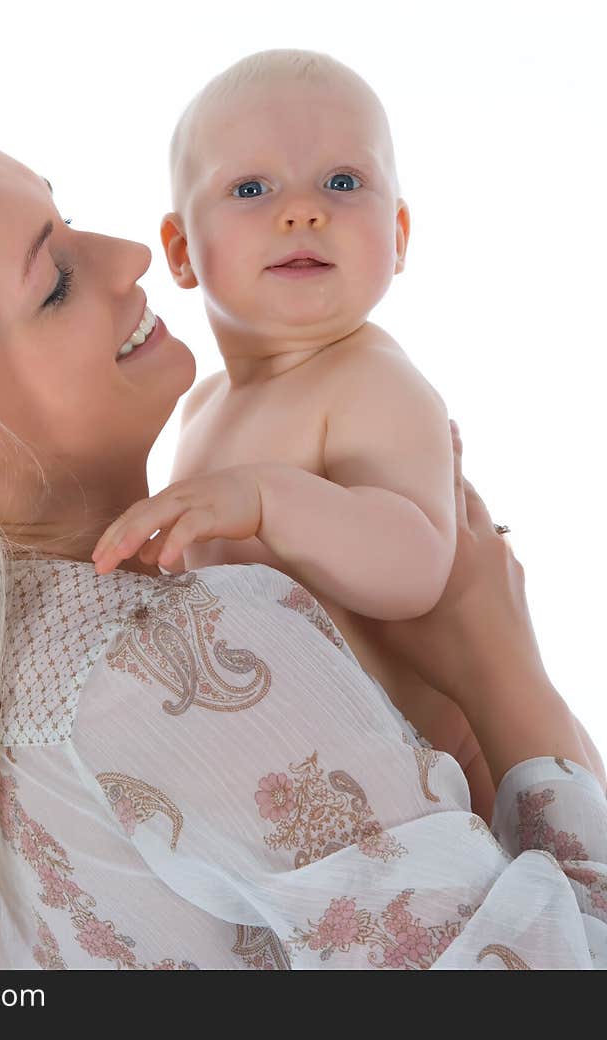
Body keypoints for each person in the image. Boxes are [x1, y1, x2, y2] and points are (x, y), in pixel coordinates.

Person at [0, 123, 604, 970]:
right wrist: (507, 676)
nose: (130, 255)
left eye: (67, 215)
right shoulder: (179, 656)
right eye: (57, 281)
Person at [91, 49, 491, 817]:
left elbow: (416, 569)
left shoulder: (370, 380)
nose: (304, 210)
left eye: (344, 183)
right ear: (180, 252)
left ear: (399, 234)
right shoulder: (203, 407)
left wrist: (269, 499)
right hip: (310, 793)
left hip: (444, 796)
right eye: (251, 188)